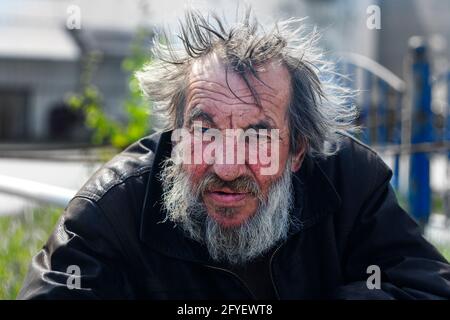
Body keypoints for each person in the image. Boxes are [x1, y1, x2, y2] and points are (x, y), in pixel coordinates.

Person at [18, 8, 450, 300]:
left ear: (297, 149)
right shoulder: (111, 209)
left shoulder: (349, 181)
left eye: (257, 135)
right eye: (204, 130)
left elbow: (425, 287)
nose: (226, 166)